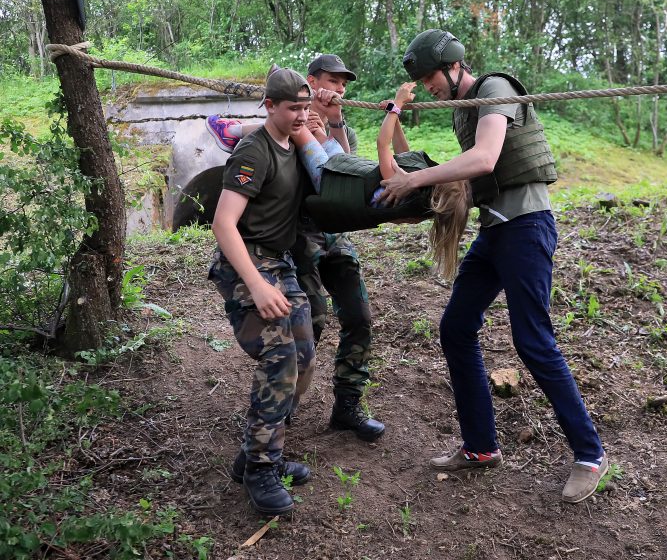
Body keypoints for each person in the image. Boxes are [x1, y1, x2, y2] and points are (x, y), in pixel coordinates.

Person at [379, 30, 608, 504]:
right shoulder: (467, 109)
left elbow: (484, 160)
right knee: (456, 328)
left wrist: (414, 179)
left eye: (430, 76)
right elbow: (449, 165)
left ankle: (590, 454)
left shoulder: (494, 89)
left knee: (533, 342)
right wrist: (395, 124)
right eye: (420, 80)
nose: (428, 86)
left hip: (526, 229)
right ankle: (481, 447)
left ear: (453, 66)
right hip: (495, 231)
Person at [208, 54, 385, 442]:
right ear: (311, 81)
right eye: (332, 81)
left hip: (335, 237)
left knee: (359, 316)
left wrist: (330, 124)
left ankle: (348, 405)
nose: (339, 89)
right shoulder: (281, 130)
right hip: (299, 240)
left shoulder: (329, 126)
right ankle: (278, 416)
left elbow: (344, 174)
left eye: (343, 84)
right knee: (308, 326)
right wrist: (304, 125)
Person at [208, 65, 316, 516]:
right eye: (294, 107)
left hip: (281, 261)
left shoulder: (297, 143)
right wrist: (255, 283)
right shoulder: (254, 152)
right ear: (269, 106)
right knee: (280, 358)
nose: (301, 115)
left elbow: (334, 167)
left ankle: (255, 451)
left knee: (305, 356)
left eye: (305, 106)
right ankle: (260, 470)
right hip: (246, 266)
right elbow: (222, 223)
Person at [293, 81, 471, 279]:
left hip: (332, 180)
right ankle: (292, 96)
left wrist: (396, 105)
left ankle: (283, 91)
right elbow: (406, 155)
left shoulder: (400, 189)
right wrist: (395, 118)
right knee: (316, 128)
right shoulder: (419, 198)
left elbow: (382, 144)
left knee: (299, 128)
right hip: (342, 169)